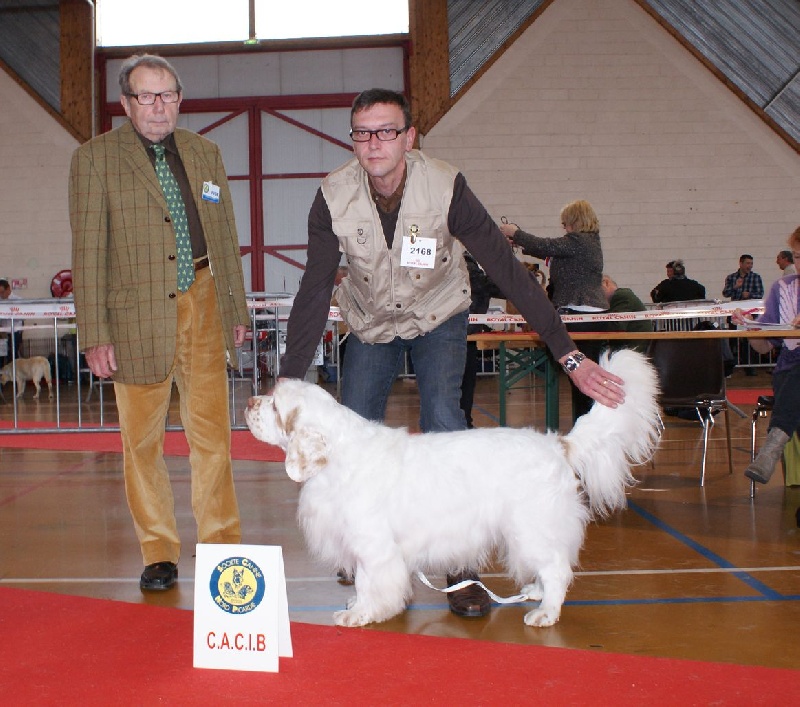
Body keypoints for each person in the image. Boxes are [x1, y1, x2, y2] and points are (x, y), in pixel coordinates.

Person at [279, 88, 625, 619]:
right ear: (353, 140)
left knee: (445, 421)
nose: (374, 143)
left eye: (387, 131)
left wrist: (570, 357)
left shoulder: (446, 186)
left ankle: (460, 570)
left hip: (438, 315)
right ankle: (367, 555)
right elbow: (314, 287)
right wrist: (287, 380)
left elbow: (506, 267)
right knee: (351, 431)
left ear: (409, 137)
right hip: (371, 322)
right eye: (363, 133)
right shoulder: (332, 196)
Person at [69, 54, 249, 592]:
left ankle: (220, 544)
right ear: (126, 103)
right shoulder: (94, 159)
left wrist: (235, 309)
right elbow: (88, 255)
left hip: (205, 301)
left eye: (167, 95)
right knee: (141, 443)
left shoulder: (205, 153)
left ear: (179, 99)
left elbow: (225, 239)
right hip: (135, 317)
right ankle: (158, 550)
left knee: (213, 436)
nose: (157, 106)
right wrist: (94, 333)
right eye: (146, 96)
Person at [500, 200, 615, 421]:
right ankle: (585, 423)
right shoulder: (584, 244)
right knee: (582, 376)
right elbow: (548, 252)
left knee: (583, 378)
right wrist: (518, 242)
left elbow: (546, 246)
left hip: (582, 315)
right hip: (582, 313)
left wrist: (515, 232)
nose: (563, 226)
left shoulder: (579, 241)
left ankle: (587, 425)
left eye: (565, 222)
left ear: (575, 220)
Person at [732, 227, 800, 484]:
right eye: (797, 256)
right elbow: (763, 347)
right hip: (789, 372)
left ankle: (774, 442)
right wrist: (749, 328)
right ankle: (775, 442)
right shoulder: (782, 289)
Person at [460, 251, 506, 428]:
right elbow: (489, 286)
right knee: (463, 381)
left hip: (469, 332)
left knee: (466, 381)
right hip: (463, 331)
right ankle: (463, 423)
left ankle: (465, 422)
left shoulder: (475, 263)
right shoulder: (468, 263)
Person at [600, 274, 653, 353]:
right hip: (631, 347)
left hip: (632, 349)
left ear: (606, 283)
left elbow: (616, 326)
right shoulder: (621, 296)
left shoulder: (621, 296)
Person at [0, 278, 23, 366]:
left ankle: (14, 373)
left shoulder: (18, 300)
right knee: (2, 354)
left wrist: (9, 314)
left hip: (14, 331)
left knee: (12, 355)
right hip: (3, 332)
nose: (1, 295)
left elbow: (23, 316)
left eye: (2, 292)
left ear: (8, 289)